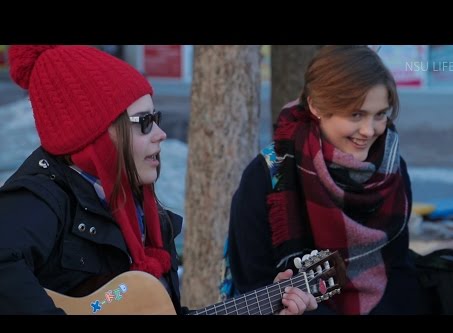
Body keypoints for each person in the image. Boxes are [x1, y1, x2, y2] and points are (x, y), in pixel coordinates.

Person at [0, 45, 316, 315]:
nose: (161, 135)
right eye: (145, 122)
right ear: (95, 135)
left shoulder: (148, 218)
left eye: (157, 119)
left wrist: (270, 303)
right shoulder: (43, 197)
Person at [227, 45, 433, 315]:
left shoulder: (391, 165)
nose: (370, 131)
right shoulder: (268, 176)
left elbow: (398, 267)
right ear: (316, 105)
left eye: (380, 114)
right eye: (356, 114)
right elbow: (253, 282)